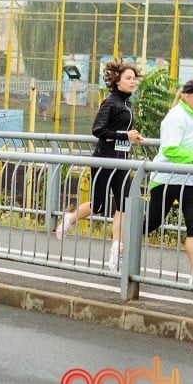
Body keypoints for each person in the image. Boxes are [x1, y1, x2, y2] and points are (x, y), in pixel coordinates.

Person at [53, 60, 144, 272]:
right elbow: (98, 130)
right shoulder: (110, 102)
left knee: (124, 205)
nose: (133, 82)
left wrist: (133, 137)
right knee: (99, 205)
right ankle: (70, 218)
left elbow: (120, 131)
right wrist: (124, 134)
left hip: (122, 161)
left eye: (134, 79)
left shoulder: (127, 104)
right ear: (117, 81)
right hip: (104, 160)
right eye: (128, 79)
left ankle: (115, 255)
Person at [143, 79, 193, 287]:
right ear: (187, 96)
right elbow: (170, 149)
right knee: (152, 222)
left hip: (192, 180)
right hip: (168, 178)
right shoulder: (176, 117)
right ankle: (122, 246)